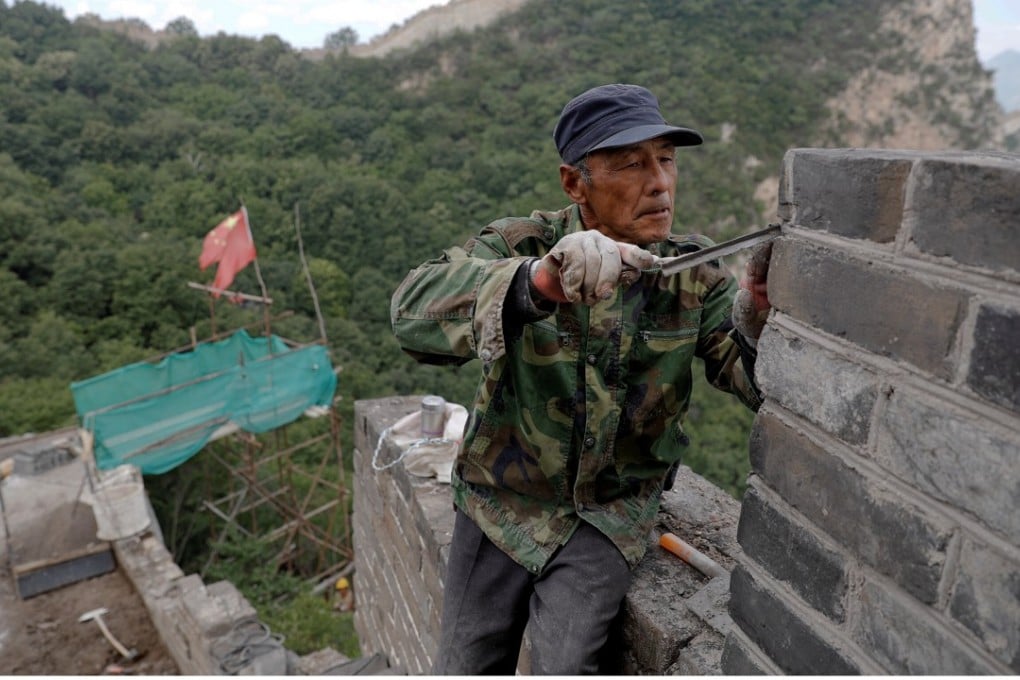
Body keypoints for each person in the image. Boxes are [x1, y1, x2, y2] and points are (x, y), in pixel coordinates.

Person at [390, 83, 772, 675]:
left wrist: (759, 320)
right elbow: (411, 312)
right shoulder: (525, 245)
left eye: (665, 160)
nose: (660, 183)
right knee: (463, 665)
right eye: (630, 164)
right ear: (575, 182)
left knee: (565, 665)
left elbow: (753, 381)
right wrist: (537, 282)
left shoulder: (692, 274)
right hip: (499, 501)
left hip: (607, 515)